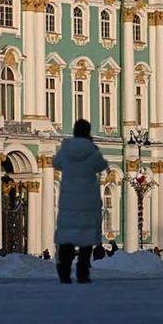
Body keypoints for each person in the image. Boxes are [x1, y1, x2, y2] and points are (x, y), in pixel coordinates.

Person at [52, 118, 108, 284]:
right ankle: (82, 272)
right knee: (85, 239)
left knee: (67, 238)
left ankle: (64, 272)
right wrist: (93, 147)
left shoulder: (65, 150)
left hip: (69, 202)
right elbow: (102, 165)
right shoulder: (91, 152)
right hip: (86, 201)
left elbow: (56, 163)